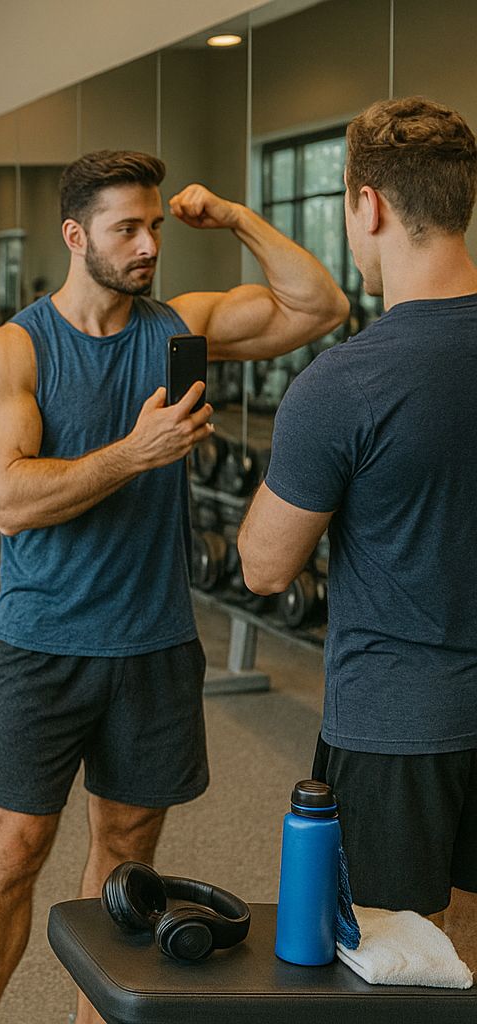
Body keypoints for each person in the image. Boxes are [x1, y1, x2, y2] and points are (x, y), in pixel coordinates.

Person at [0, 150, 347, 1024]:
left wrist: (237, 219)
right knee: (14, 851)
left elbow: (320, 305)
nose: (147, 245)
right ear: (75, 236)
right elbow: (10, 500)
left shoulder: (180, 329)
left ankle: (90, 1016)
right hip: (42, 643)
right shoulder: (14, 349)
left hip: (154, 640)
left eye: (156, 227)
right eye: (126, 229)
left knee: (126, 858)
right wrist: (137, 453)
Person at [238, 96, 477, 965]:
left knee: (390, 961)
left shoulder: (344, 384)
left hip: (394, 725)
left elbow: (264, 567)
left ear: (366, 205)